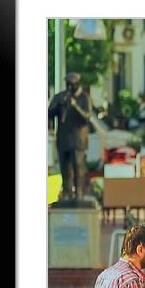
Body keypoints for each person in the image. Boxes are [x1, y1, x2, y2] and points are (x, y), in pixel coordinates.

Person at [48, 72, 92, 201]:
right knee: (65, 168)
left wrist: (75, 106)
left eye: (72, 85)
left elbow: (87, 118)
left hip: (78, 140)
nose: (70, 87)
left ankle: (79, 194)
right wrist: (57, 105)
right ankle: (66, 193)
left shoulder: (84, 98)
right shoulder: (60, 97)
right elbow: (48, 114)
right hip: (63, 139)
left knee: (78, 168)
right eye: (68, 84)